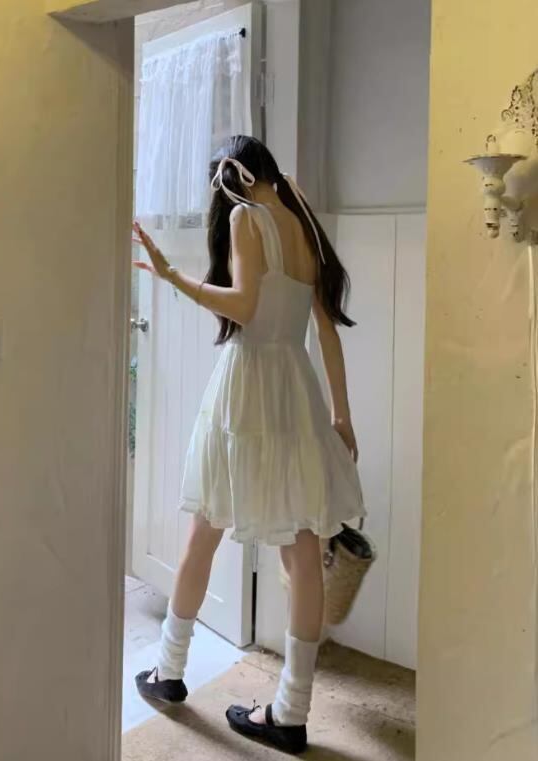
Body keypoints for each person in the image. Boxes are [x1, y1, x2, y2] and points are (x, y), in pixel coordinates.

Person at [132, 135, 365, 755]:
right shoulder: (302, 218)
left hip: (248, 386)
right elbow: (327, 330)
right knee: (302, 550)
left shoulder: (246, 216)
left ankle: (169, 670)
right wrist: (342, 416)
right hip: (296, 388)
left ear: (232, 176)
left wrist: (170, 275)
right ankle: (290, 711)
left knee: (205, 530)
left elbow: (243, 303)